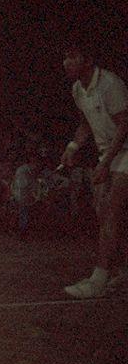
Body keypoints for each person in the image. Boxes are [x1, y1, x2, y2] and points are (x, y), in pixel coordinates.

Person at [60, 41, 128, 298]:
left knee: (110, 212)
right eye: (65, 57)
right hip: (107, 154)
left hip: (125, 151)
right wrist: (73, 146)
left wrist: (105, 163)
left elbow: (124, 126)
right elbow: (85, 123)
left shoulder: (110, 84)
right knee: (104, 213)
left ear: (88, 60)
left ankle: (98, 279)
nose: (66, 62)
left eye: (72, 56)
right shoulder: (77, 89)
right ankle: (122, 270)